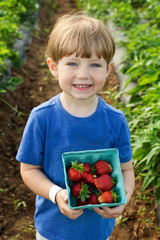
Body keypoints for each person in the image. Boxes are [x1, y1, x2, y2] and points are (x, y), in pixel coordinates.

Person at [16, 12, 135, 240]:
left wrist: (123, 199)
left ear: (108, 69)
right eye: (72, 63)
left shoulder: (115, 120)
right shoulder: (42, 118)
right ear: (53, 66)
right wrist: (57, 193)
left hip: (98, 232)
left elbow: (126, 169)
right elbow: (29, 169)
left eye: (94, 64)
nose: (83, 74)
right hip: (53, 231)